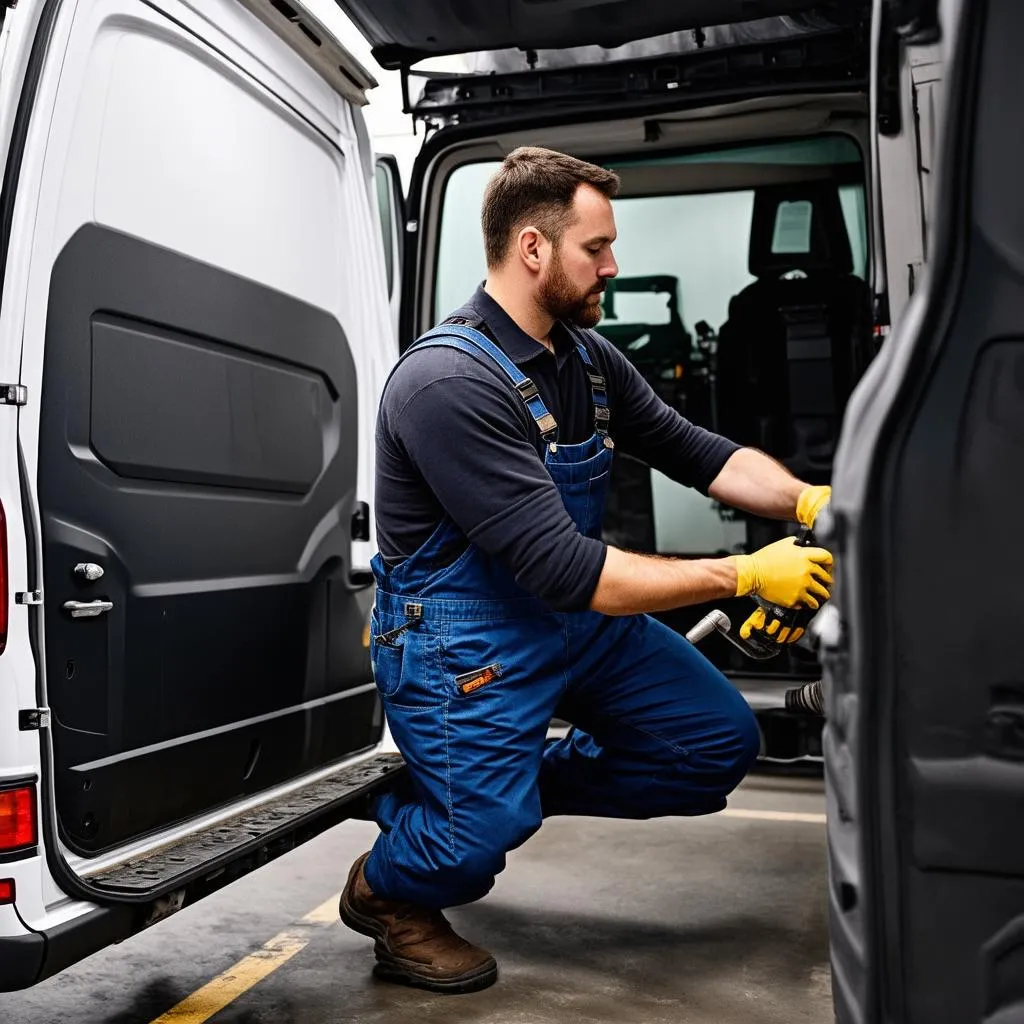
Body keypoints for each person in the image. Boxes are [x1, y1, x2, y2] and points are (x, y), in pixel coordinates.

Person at [339, 146, 834, 994]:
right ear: (533, 249)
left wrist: (811, 503)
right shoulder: (448, 382)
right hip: (465, 642)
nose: (613, 265)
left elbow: (697, 451)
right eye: (595, 248)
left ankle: (493, 789)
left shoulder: (585, 359)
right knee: (473, 836)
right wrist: (746, 573)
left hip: (567, 627)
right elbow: (570, 569)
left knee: (714, 744)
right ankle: (390, 888)